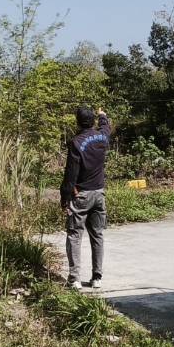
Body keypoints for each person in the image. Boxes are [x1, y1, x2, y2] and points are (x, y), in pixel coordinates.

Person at [61, 104, 112, 288]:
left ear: (78, 122)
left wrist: (65, 197)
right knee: (97, 235)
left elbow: (71, 173)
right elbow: (106, 127)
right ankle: (97, 278)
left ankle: (74, 279)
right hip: (99, 193)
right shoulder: (102, 137)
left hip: (81, 195)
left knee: (75, 235)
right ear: (92, 121)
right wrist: (103, 115)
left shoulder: (76, 143)